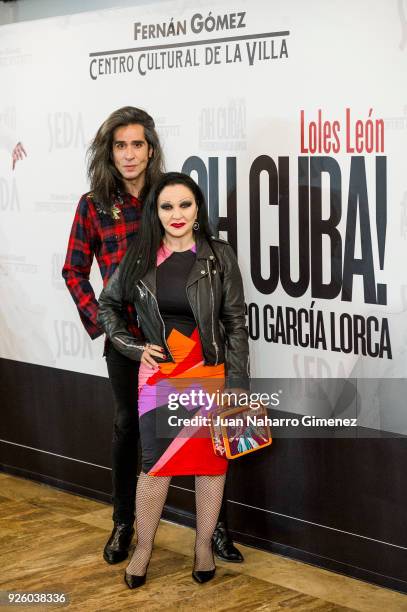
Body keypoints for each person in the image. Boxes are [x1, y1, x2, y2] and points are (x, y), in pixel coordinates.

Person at [62, 107, 243, 567]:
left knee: (209, 438)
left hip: (188, 344)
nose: (129, 154)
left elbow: (210, 280)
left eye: (137, 144)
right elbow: (74, 272)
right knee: (130, 430)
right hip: (131, 345)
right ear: (109, 152)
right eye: (119, 145)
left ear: (151, 149)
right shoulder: (93, 204)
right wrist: (111, 329)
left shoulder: (168, 195)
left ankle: (214, 531)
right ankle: (126, 525)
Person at [97, 172, 250, 588]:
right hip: (160, 376)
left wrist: (237, 384)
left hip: (210, 373)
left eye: (185, 204)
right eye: (167, 206)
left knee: (210, 465)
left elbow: (235, 322)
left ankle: (203, 547)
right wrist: (132, 345)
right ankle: (143, 549)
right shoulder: (141, 254)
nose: (177, 214)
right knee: (156, 466)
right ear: (156, 212)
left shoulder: (219, 255)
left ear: (198, 208)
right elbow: (107, 306)